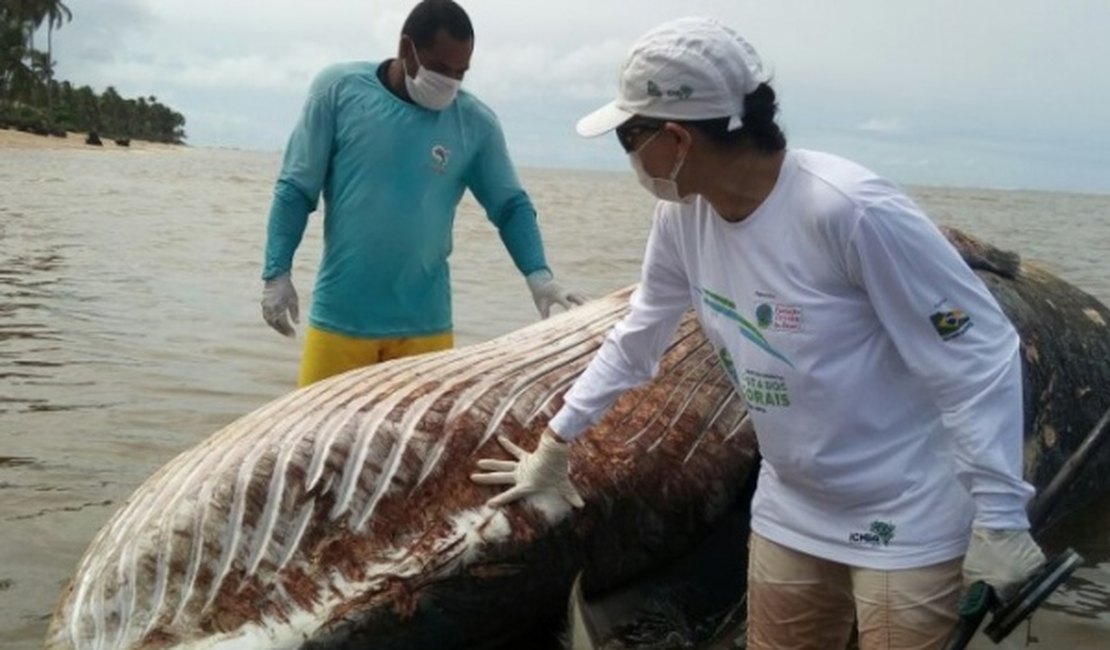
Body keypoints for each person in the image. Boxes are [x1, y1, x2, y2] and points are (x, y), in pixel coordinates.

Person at [471, 16, 1046, 649]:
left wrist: (999, 516)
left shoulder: (849, 210)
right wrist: (558, 443)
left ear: (675, 138)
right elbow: (641, 334)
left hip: (903, 512)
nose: (629, 157)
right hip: (792, 507)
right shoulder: (682, 219)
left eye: (628, 136)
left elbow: (977, 351)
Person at [261, 0, 584, 387]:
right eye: (440, 67)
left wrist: (540, 277)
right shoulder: (338, 91)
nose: (450, 81)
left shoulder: (475, 123)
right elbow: (296, 188)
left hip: (426, 327)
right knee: (318, 444)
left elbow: (510, 206)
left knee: (424, 447)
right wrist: (277, 274)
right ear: (405, 49)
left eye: (460, 72)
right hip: (341, 320)